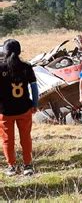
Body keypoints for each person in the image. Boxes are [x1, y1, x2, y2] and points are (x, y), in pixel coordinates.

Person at [0, 39, 38, 176]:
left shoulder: (0, 67)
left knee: (7, 140)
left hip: (5, 111)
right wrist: (35, 104)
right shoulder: (26, 67)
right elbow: (34, 87)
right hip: (24, 109)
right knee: (26, 138)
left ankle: (11, 167)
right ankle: (28, 165)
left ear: (4, 51)